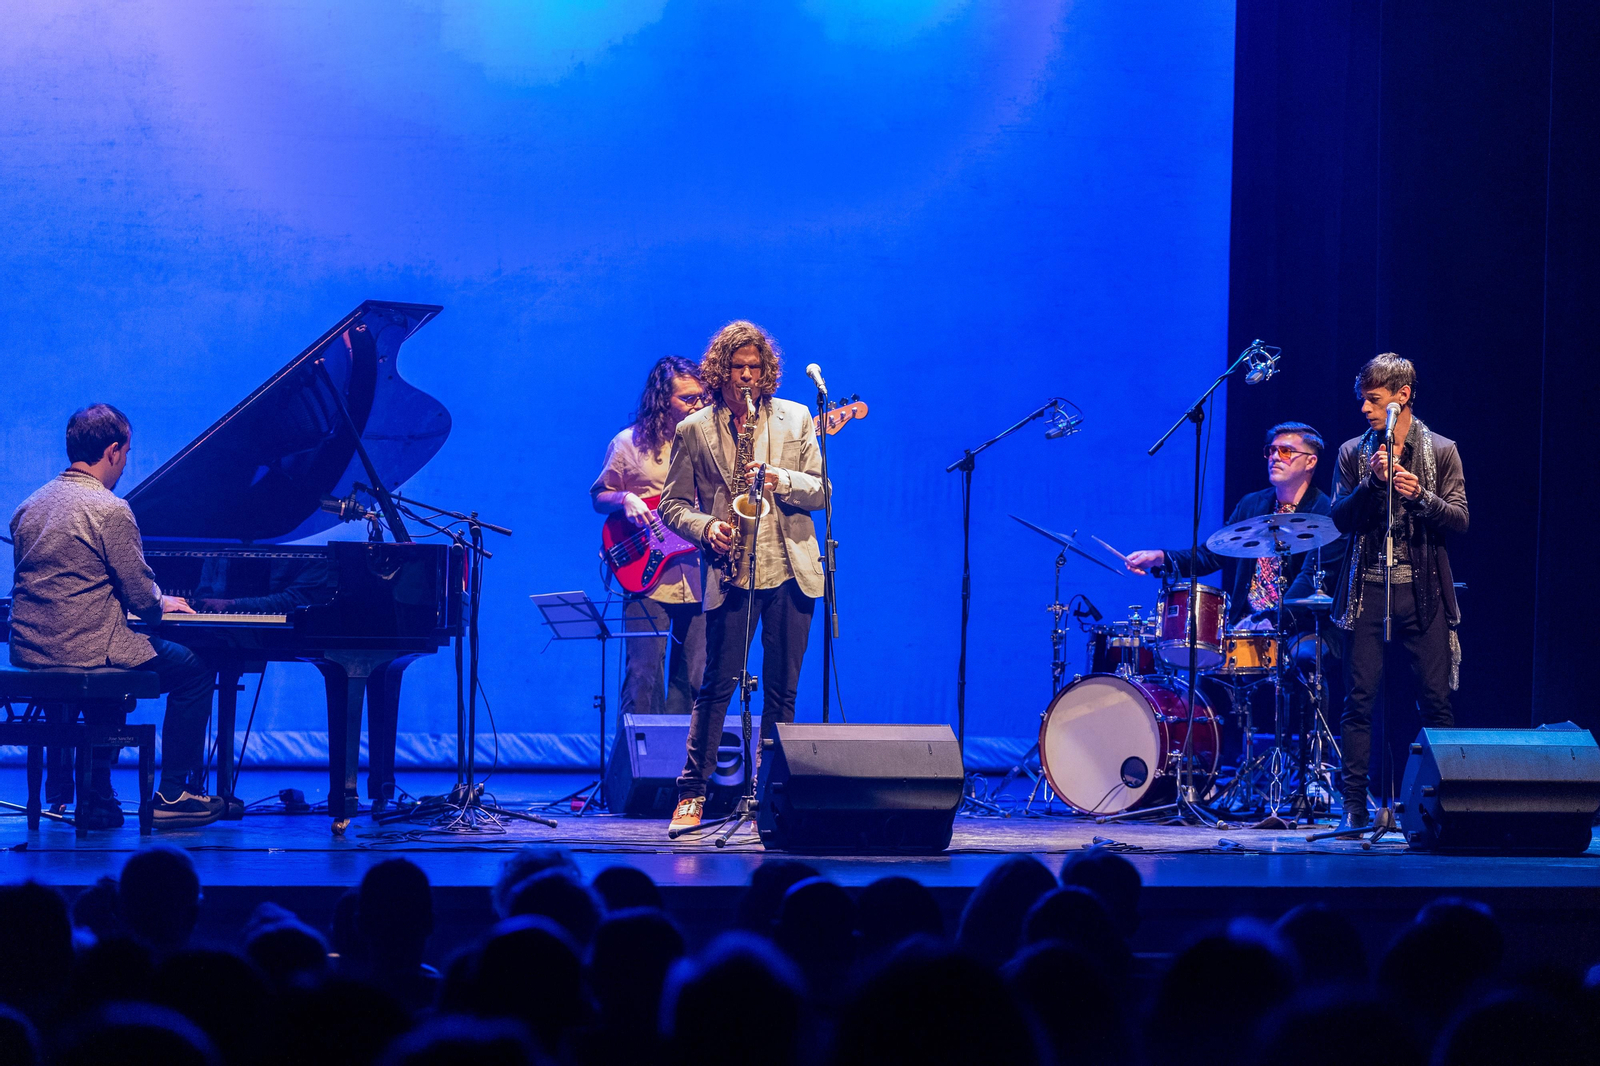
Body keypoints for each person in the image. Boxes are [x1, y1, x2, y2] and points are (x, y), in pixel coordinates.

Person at [8, 404, 224, 829]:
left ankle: (98, 793)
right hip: (87, 645)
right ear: (111, 451)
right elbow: (143, 599)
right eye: (126, 453)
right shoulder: (109, 509)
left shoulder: (28, 506)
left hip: (34, 648)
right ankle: (175, 792)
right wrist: (162, 603)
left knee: (116, 658)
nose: (125, 464)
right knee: (194, 669)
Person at [659, 322, 828, 834]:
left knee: (783, 692)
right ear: (721, 371)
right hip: (731, 570)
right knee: (715, 686)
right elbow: (672, 505)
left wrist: (783, 479)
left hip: (791, 569)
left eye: (756, 367)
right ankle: (692, 792)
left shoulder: (797, 416)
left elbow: (821, 491)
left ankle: (774, 794)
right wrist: (707, 527)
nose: (748, 376)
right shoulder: (694, 429)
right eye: (738, 368)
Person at [1328, 354, 1467, 829]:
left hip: (1423, 594)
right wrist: (1371, 482)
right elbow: (1339, 519)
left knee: (1434, 701)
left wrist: (1419, 495)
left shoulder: (1443, 450)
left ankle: (1441, 806)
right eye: (1363, 399)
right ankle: (1353, 806)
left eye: (1374, 399)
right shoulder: (1352, 452)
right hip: (1367, 592)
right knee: (1359, 700)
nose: (1365, 409)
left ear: (1401, 396)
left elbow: (1460, 518)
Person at [1125, 421, 1346, 640]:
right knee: (1204, 663)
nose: (1275, 457)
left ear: (1310, 462)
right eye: (1271, 450)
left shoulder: (1326, 513)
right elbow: (1211, 555)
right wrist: (1161, 557)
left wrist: (1273, 619)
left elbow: (1309, 579)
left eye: (1286, 451)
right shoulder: (1251, 505)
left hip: (1298, 628)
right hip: (1245, 623)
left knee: (1303, 658)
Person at [590, 357, 710, 718]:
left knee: (695, 680)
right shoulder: (628, 444)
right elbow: (599, 496)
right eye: (688, 399)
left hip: (701, 575)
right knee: (643, 678)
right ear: (662, 401)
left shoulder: (712, 441)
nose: (699, 405)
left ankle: (684, 770)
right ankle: (637, 771)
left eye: (702, 397)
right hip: (647, 576)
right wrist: (625, 498)